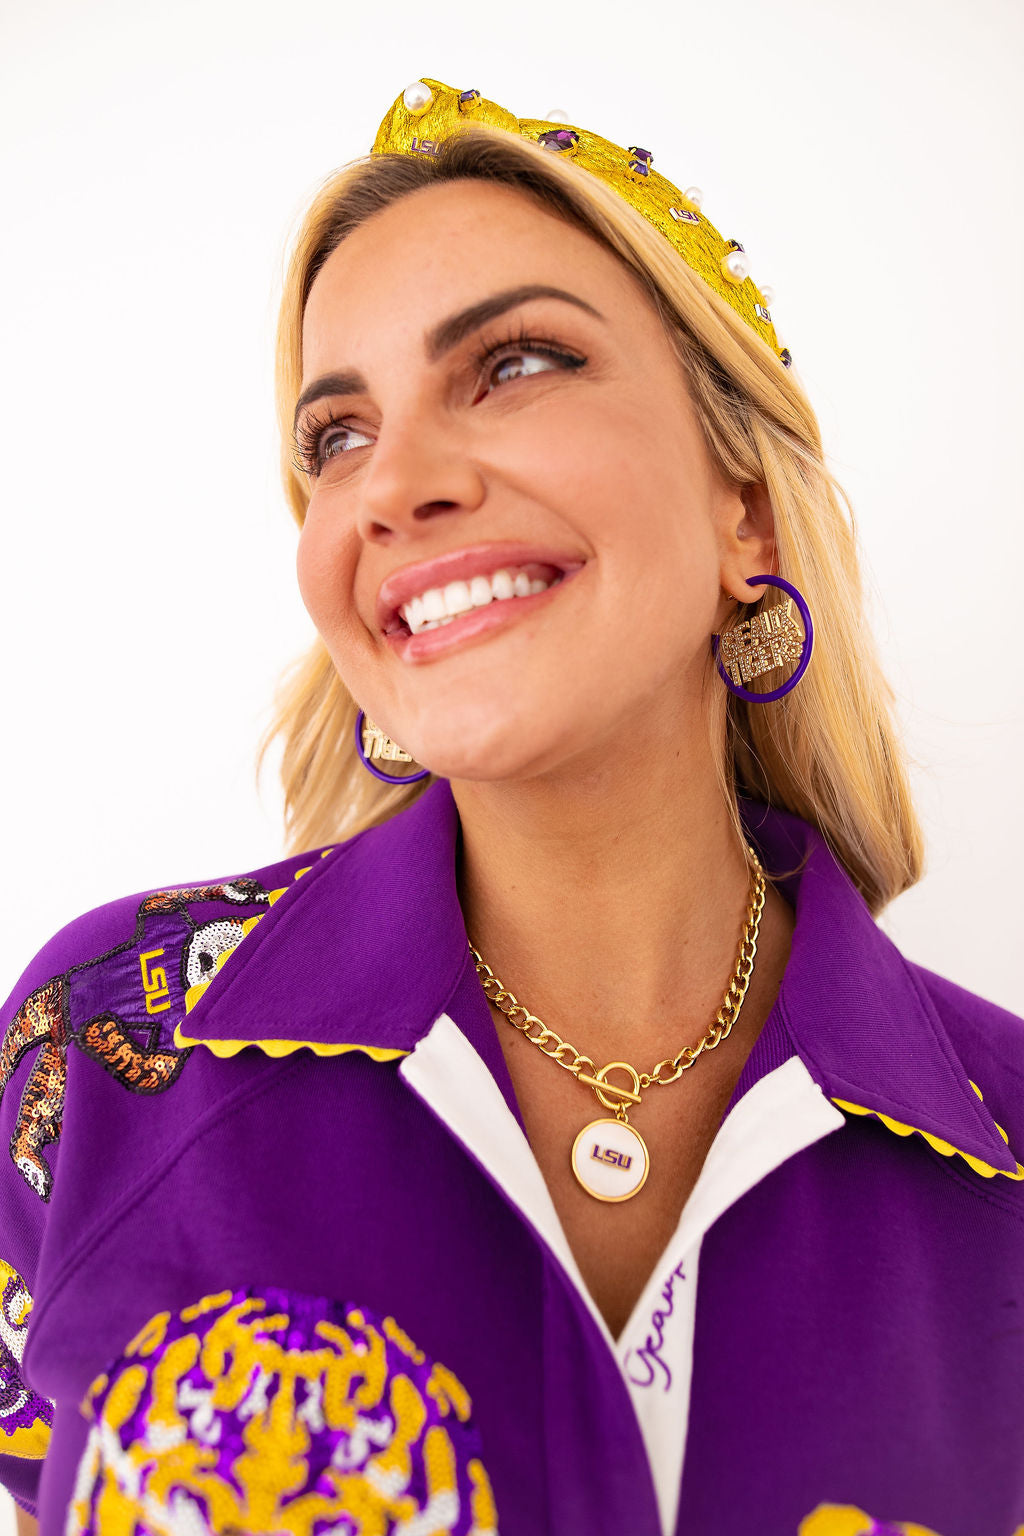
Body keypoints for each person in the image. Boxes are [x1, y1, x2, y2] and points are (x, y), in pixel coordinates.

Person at [1, 76, 1021, 1536]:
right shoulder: (98, 1063)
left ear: (744, 511)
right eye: (335, 438)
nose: (393, 487)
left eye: (517, 364)